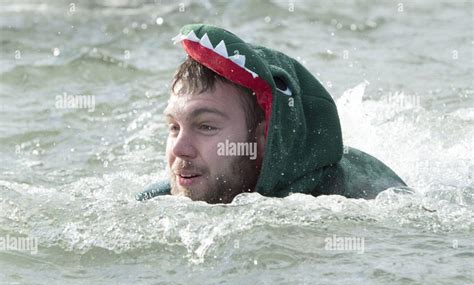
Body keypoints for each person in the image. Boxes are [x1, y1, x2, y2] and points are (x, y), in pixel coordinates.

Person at [136, 24, 406, 203]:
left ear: (263, 139)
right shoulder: (154, 200)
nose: (180, 149)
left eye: (206, 126)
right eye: (173, 127)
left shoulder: (365, 196)